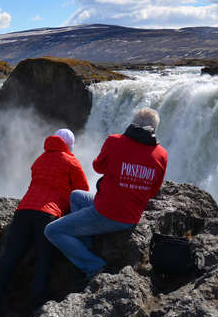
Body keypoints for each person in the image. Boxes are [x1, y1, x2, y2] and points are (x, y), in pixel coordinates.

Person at [44, 107, 168, 281]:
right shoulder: (162, 154)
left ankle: (93, 266)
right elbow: (153, 190)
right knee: (76, 196)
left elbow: (98, 167)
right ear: (154, 129)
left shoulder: (115, 141)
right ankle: (86, 246)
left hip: (105, 213)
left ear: (133, 124)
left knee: (52, 231)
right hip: (131, 217)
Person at [0, 128, 89, 317]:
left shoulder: (40, 159)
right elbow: (82, 192)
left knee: (9, 258)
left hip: (23, 211)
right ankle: (37, 309)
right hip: (48, 214)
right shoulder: (71, 161)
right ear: (69, 145)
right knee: (43, 260)